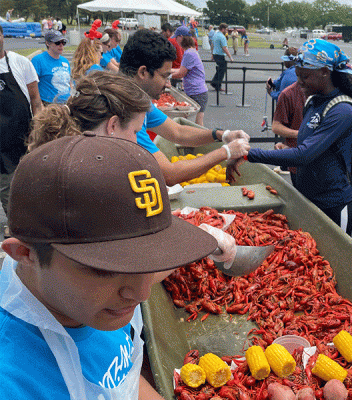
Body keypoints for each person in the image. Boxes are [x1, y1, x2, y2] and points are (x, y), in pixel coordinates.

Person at [0, 132, 237, 398]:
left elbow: (124, 379)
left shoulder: (92, 298)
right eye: (104, 269)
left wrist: (207, 238)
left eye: (146, 260)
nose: (141, 293)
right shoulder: (12, 380)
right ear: (24, 253)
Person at [238, 39, 352, 236]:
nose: (299, 82)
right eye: (297, 75)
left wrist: (248, 153)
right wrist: (288, 150)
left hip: (335, 204)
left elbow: (304, 155)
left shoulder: (342, 110)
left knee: (338, 263)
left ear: (325, 72)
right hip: (310, 198)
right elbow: (311, 146)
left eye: (305, 76)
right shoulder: (313, 100)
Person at [119, 29, 250, 186]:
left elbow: (177, 132)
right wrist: (226, 152)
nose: (167, 84)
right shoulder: (126, 110)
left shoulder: (136, 98)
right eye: (164, 76)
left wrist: (222, 135)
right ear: (143, 72)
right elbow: (169, 174)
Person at [28, 71, 150, 150]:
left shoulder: (56, 155)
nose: (136, 142)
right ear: (112, 125)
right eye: (135, 132)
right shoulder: (101, 178)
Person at [0, 24, 43, 236]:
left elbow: (36, 100)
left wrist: (40, 129)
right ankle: (17, 225)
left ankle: (20, 226)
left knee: (22, 184)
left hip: (20, 138)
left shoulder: (20, 63)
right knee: (6, 187)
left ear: (2, 36)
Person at [270, 81, 306, 186]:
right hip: (297, 161)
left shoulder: (327, 91)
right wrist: (300, 134)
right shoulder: (288, 93)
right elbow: (276, 126)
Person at [171, 29, 209, 127]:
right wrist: (167, 71)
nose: (175, 40)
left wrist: (166, 75)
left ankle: (202, 141)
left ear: (181, 37)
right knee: (195, 122)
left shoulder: (189, 53)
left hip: (196, 92)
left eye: (176, 37)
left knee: (197, 124)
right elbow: (181, 70)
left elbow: (181, 73)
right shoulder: (191, 51)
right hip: (198, 91)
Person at [31, 30, 71, 104]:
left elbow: (69, 82)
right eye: (57, 43)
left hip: (66, 103)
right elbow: (32, 85)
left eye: (63, 42)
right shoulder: (38, 60)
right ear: (47, 43)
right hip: (48, 104)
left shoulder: (65, 61)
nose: (61, 45)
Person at [210, 23, 233, 92]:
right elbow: (224, 48)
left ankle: (214, 82)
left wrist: (212, 54)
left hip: (215, 54)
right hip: (220, 55)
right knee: (222, 70)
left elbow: (212, 45)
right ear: (223, 29)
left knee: (220, 69)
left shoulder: (215, 35)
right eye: (226, 29)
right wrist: (230, 57)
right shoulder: (222, 37)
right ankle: (217, 84)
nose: (227, 31)